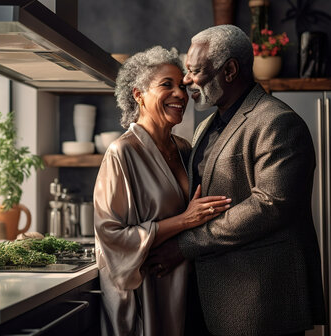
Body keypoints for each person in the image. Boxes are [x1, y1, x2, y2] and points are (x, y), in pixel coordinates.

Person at [145, 25, 326, 336]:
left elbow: (269, 206)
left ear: (229, 70)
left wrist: (184, 245)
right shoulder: (205, 127)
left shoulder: (278, 121)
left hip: (261, 301)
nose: (187, 81)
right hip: (212, 297)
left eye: (195, 71)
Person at [93, 45, 232, 336]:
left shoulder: (184, 149)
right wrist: (184, 221)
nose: (180, 94)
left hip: (191, 289)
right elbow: (111, 237)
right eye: (166, 85)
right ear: (138, 95)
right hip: (149, 291)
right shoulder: (122, 153)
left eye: (181, 86)